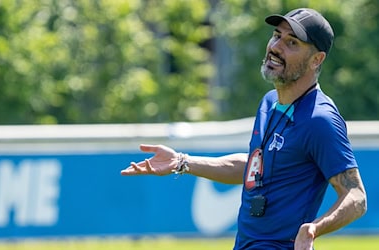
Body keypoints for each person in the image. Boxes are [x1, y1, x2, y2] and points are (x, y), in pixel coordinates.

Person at [120, 7, 367, 250]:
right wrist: (182, 162)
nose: (276, 47)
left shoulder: (320, 119)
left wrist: (315, 227)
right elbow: (256, 166)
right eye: (276, 36)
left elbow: (356, 197)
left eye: (291, 43)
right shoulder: (270, 102)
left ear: (316, 59)